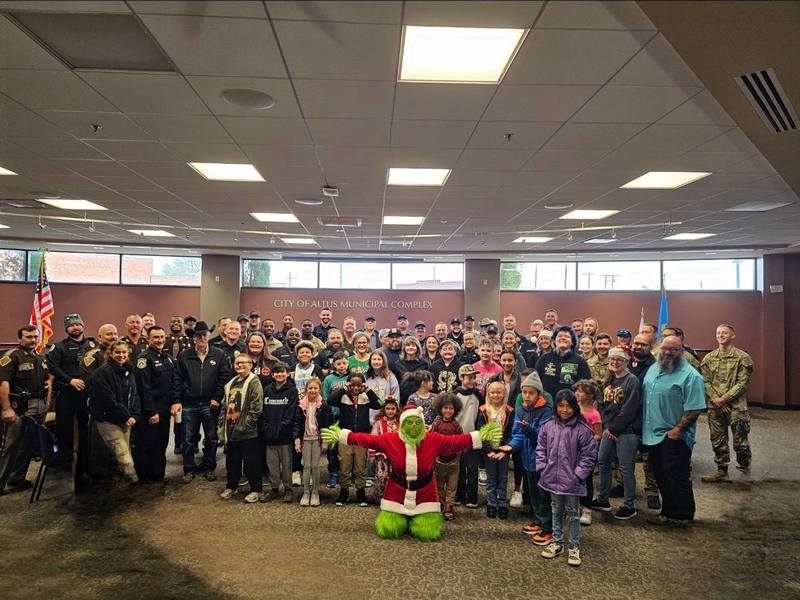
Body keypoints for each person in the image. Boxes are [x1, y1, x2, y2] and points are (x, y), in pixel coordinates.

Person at [320, 405, 501, 541]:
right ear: (402, 424)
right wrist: (342, 435)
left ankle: (418, 516)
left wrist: (481, 436)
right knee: (389, 529)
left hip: (425, 491)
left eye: (417, 423)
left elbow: (457, 441)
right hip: (396, 490)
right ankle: (401, 515)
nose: (413, 426)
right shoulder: (390, 439)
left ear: (422, 425)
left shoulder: (433, 439)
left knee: (426, 531)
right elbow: (367, 439)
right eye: (409, 422)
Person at [642, 336, 706, 525]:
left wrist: (678, 430)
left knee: (676, 475)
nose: (668, 352)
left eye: (673, 349)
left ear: (682, 351)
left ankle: (683, 514)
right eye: (664, 348)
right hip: (652, 433)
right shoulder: (654, 368)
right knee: (661, 473)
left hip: (674, 435)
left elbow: (695, 408)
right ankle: (669, 511)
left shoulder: (691, 376)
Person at [536, 389, 597, 567]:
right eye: (561, 405)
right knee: (556, 510)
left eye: (568, 406)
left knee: (573, 513)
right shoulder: (548, 425)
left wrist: (578, 475)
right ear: (555, 406)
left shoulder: (582, 429)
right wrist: (542, 467)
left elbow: (588, 456)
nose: (564, 410)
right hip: (552, 478)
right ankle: (557, 542)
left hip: (572, 481)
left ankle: (574, 545)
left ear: (575, 408)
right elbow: (541, 448)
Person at [171, 321, 231, 483]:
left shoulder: (219, 355)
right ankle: (188, 469)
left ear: (208, 335)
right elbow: (177, 379)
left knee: (211, 438)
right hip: (189, 404)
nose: (201, 338)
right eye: (198, 335)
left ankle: (209, 467)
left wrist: (217, 398)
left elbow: (223, 379)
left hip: (210, 404)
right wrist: (176, 400)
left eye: (204, 334)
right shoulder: (184, 355)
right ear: (194, 338)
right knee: (188, 439)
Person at [499, 371, 554, 545]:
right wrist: (511, 446)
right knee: (533, 494)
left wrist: (528, 429)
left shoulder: (546, 411)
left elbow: (544, 438)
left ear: (538, 394)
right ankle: (539, 521)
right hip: (527, 459)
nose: (527, 396)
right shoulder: (521, 409)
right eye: (524, 392)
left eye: (531, 392)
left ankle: (549, 529)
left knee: (544, 495)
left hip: (542, 461)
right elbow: (518, 434)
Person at [700, 324, 754, 483]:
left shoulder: (742, 357)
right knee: (718, 440)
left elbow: (742, 383)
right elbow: (705, 381)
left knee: (740, 443)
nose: (721, 335)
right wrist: (717, 401)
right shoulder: (709, 358)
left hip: (737, 407)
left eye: (724, 333)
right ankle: (721, 471)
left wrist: (724, 399)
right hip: (715, 407)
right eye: (718, 333)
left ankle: (744, 462)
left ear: (732, 336)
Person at [592, 348, 642, 520]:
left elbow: (629, 410)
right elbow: (602, 404)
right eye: (612, 359)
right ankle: (603, 499)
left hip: (626, 431)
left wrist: (613, 429)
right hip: (609, 429)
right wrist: (606, 426)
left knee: (626, 468)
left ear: (626, 362)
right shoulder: (610, 379)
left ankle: (629, 506)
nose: (615, 362)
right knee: (603, 462)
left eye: (619, 359)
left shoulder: (632, 381)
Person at [0, 325, 48, 494]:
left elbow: (45, 381)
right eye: (28, 337)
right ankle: (0, 483)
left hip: (39, 405)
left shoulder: (40, 357)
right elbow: (3, 384)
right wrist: (6, 409)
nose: (33, 340)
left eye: (35, 337)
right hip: (19, 407)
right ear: (20, 339)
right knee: (11, 446)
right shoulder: (12, 357)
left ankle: (16, 479)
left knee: (28, 445)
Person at [47, 314, 95, 473]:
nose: (75, 327)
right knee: (64, 428)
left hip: (88, 393)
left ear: (83, 326)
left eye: (77, 324)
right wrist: (70, 380)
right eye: (71, 325)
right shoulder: (59, 346)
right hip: (67, 393)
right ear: (66, 329)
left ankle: (85, 460)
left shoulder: (93, 344)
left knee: (86, 427)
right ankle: (65, 461)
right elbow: (52, 367)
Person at [88, 340, 140, 485]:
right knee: (123, 454)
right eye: (117, 352)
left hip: (125, 420)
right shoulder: (101, 373)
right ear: (110, 354)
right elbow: (107, 399)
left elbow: (134, 395)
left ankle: (120, 481)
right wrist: (126, 416)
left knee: (122, 452)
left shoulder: (129, 372)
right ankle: (135, 482)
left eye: (124, 352)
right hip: (107, 420)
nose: (121, 355)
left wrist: (134, 415)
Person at [327, 372, 383, 507]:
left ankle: (360, 491)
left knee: (360, 465)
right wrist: (344, 389)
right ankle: (344, 491)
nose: (356, 388)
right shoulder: (343, 396)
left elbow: (379, 404)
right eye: (353, 385)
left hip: (361, 437)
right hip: (345, 436)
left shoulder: (366, 397)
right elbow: (330, 401)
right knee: (344, 465)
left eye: (359, 385)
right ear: (348, 384)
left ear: (363, 385)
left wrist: (368, 390)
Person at [218, 354, 263, 503]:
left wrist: (245, 426)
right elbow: (224, 405)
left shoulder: (254, 382)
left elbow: (256, 407)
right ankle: (231, 486)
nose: (240, 365)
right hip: (231, 430)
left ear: (251, 365)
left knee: (251, 463)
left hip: (247, 432)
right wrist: (222, 425)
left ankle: (255, 490)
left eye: (244, 363)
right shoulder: (231, 383)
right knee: (232, 461)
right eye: (237, 363)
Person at [133, 325, 175, 482]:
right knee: (149, 442)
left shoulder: (167, 358)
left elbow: (172, 383)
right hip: (151, 408)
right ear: (149, 339)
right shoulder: (144, 359)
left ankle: (158, 474)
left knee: (162, 441)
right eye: (156, 337)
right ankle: (146, 476)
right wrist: (151, 411)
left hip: (165, 407)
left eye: (162, 337)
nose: (160, 340)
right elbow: (144, 388)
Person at [488, 350, 524, 507]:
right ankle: (495, 494)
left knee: (517, 456)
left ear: (515, 361)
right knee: (498, 454)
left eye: (510, 360)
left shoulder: (521, 379)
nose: (507, 363)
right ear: (500, 361)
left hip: (516, 418)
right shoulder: (494, 378)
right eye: (504, 360)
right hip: (497, 418)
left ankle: (517, 490)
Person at [260, 361, 298, 502]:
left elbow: (291, 414)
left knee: (287, 464)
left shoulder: (292, 390)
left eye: (282, 372)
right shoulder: (267, 390)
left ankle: (288, 489)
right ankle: (274, 488)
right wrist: (267, 428)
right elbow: (263, 412)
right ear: (272, 374)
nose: (279, 374)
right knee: (272, 463)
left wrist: (281, 428)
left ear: (288, 374)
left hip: (285, 435)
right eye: (276, 372)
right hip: (269, 435)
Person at [477, 381, 514, 519]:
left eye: (499, 392)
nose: (496, 395)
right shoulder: (483, 410)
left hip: (503, 450)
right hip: (489, 451)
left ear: (504, 394)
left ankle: (502, 502)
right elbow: (481, 432)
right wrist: (488, 450)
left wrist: (505, 450)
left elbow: (511, 432)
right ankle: (491, 502)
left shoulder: (509, 411)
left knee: (503, 478)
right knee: (491, 477)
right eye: (492, 392)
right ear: (488, 394)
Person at [630, 334, 659, 509]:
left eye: (643, 344)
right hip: (628, 417)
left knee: (649, 459)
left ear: (650, 347)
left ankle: (652, 492)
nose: (638, 347)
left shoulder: (656, 366)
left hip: (647, 418)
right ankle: (624, 486)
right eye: (636, 343)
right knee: (625, 457)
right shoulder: (627, 362)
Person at [294, 376, 331, 506]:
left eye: (315, 388)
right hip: (305, 439)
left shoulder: (323, 405)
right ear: (306, 390)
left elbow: (327, 424)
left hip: (316, 439)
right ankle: (306, 492)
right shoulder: (301, 405)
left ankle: (315, 492)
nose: (313, 390)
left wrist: (325, 440)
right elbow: (296, 423)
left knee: (315, 466)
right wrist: (297, 439)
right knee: (306, 466)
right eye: (310, 388)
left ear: (319, 389)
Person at [572, 379, 602, 525]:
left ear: (589, 395)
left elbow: (598, 434)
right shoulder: (574, 409)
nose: (577, 394)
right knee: (574, 477)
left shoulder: (594, 414)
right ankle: (575, 506)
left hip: (587, 451)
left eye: (581, 392)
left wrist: (585, 440)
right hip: (573, 449)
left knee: (586, 479)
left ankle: (587, 509)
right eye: (576, 391)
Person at [454, 364, 483, 509]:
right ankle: (459, 494)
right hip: (458, 438)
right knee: (459, 468)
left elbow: (482, 414)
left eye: (474, 377)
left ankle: (472, 497)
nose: (472, 380)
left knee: (472, 468)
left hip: (473, 437)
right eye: (469, 377)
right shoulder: (454, 395)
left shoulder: (477, 395)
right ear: (461, 378)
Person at [536, 326, 591, 400]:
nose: (562, 338)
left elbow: (585, 386)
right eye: (559, 336)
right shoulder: (544, 359)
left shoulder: (580, 362)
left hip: (570, 404)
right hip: (547, 403)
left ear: (572, 342)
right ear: (554, 341)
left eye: (567, 336)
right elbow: (536, 382)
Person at [431, 393, 464, 521]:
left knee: (452, 486)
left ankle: (449, 506)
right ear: (440, 408)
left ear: (455, 410)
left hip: (453, 461)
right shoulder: (437, 424)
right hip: (439, 460)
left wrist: (457, 458)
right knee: (438, 484)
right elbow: (432, 441)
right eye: (445, 408)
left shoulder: (457, 426)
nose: (448, 411)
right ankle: (440, 503)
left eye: (451, 408)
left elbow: (461, 443)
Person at [370, 397, 399, 500]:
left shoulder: (400, 423)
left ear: (397, 410)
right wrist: (372, 454)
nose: (390, 411)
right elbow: (373, 439)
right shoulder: (379, 423)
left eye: (393, 409)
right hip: (382, 456)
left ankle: (394, 497)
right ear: (384, 409)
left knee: (395, 476)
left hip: (396, 455)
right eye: (388, 408)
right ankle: (381, 497)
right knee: (381, 476)